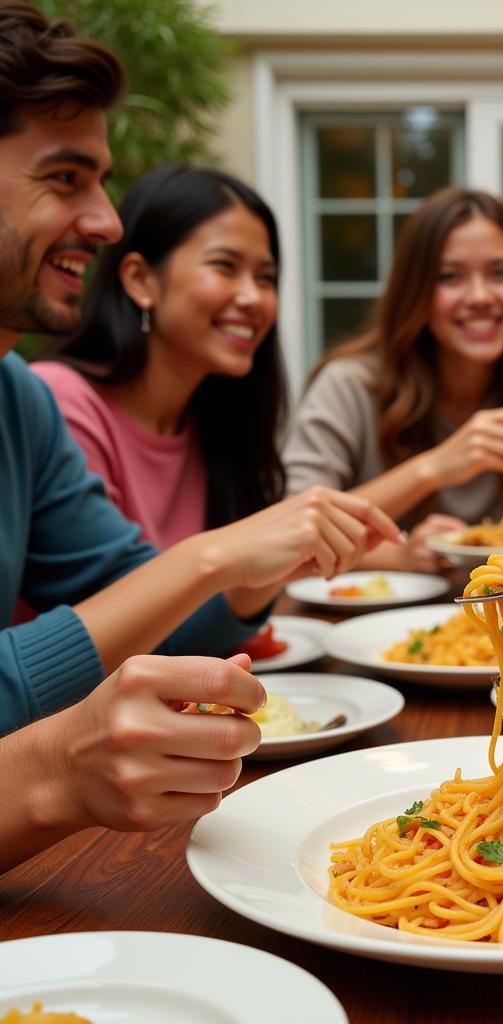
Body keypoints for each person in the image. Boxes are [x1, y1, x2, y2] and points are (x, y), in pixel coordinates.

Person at [0, 1, 398, 870]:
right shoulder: (61, 396)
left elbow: (151, 627)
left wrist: (258, 569)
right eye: (66, 178)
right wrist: (213, 557)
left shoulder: (18, 400)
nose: (106, 221)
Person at [284, 186, 503, 573]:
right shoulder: (349, 384)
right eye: (450, 277)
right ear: (414, 291)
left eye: (500, 273)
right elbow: (290, 529)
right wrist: (428, 476)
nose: (480, 296)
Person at [33, 165, 288, 549]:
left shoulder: (218, 424)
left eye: (265, 278)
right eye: (225, 266)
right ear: (140, 279)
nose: (253, 297)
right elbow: (109, 599)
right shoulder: (62, 403)